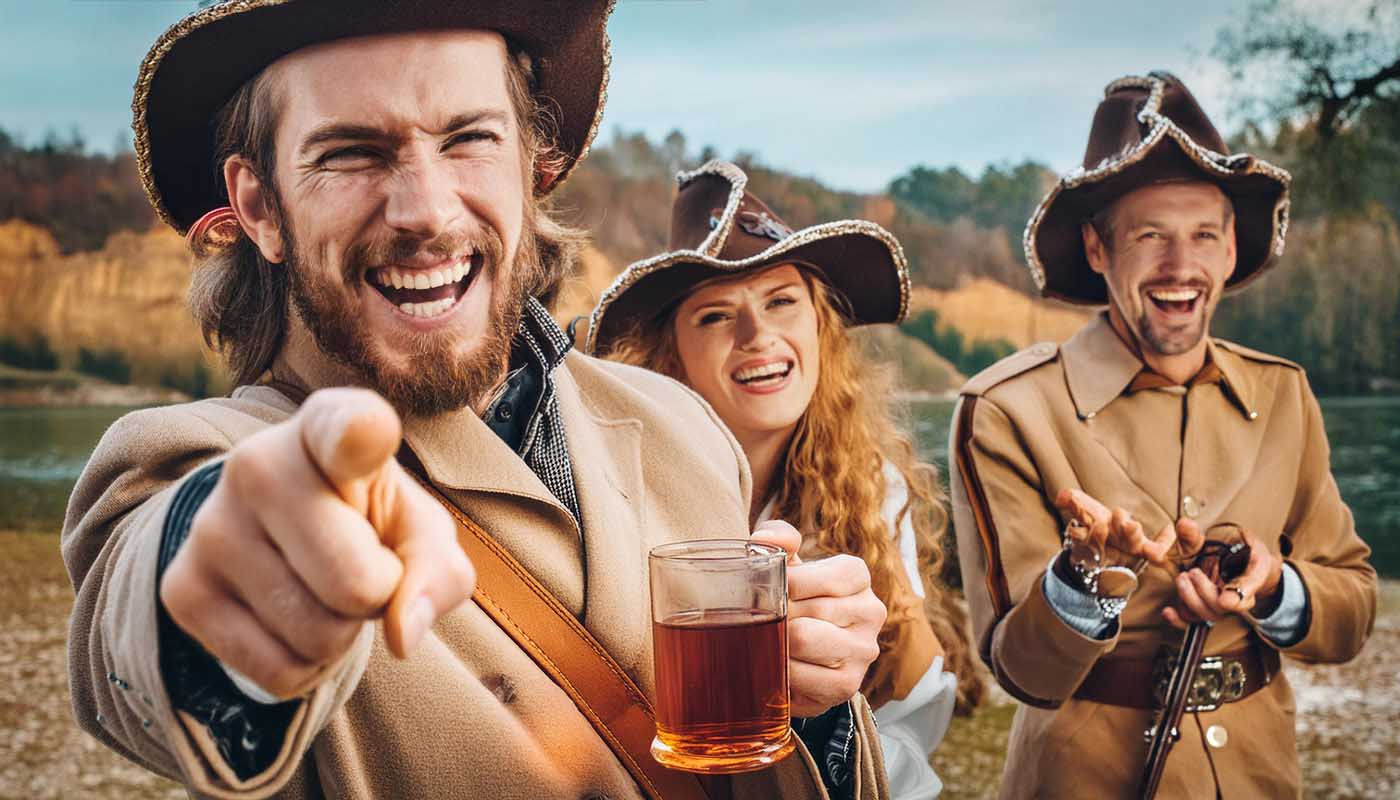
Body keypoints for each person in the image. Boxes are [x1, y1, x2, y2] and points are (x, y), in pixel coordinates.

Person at [61, 3, 894, 798]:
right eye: (351, 152)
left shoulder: (680, 424)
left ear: (534, 168)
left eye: (469, 139)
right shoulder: (191, 458)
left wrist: (809, 707)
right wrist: (244, 562)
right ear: (258, 208)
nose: (424, 210)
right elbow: (145, 637)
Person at [948, 71, 1377, 798]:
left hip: (1262, 774)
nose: (1181, 267)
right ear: (1096, 248)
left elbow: (1353, 610)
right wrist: (1088, 578)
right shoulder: (1006, 410)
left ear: (1232, 249)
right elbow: (1024, 671)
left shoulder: (1285, 393)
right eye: (1150, 236)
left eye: (1204, 235)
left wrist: (1275, 589)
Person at [588, 161, 983, 799]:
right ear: (672, 357)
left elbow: (911, 721)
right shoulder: (611, 487)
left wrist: (832, 730)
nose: (757, 335)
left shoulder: (874, 487)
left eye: (781, 301)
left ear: (820, 326)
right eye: (716, 316)